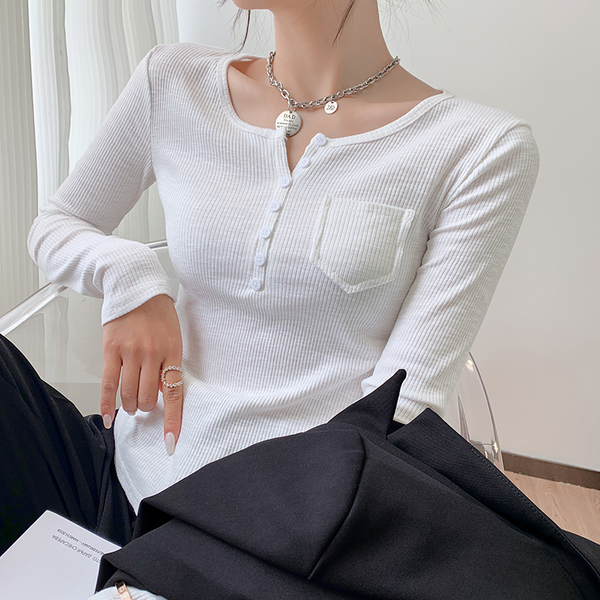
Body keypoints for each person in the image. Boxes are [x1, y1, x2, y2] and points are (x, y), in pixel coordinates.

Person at [0, 0, 554, 597]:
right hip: (116, 476)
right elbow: (58, 224)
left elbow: (399, 413)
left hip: (273, 543)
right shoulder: (173, 80)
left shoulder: (479, 147)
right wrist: (130, 277)